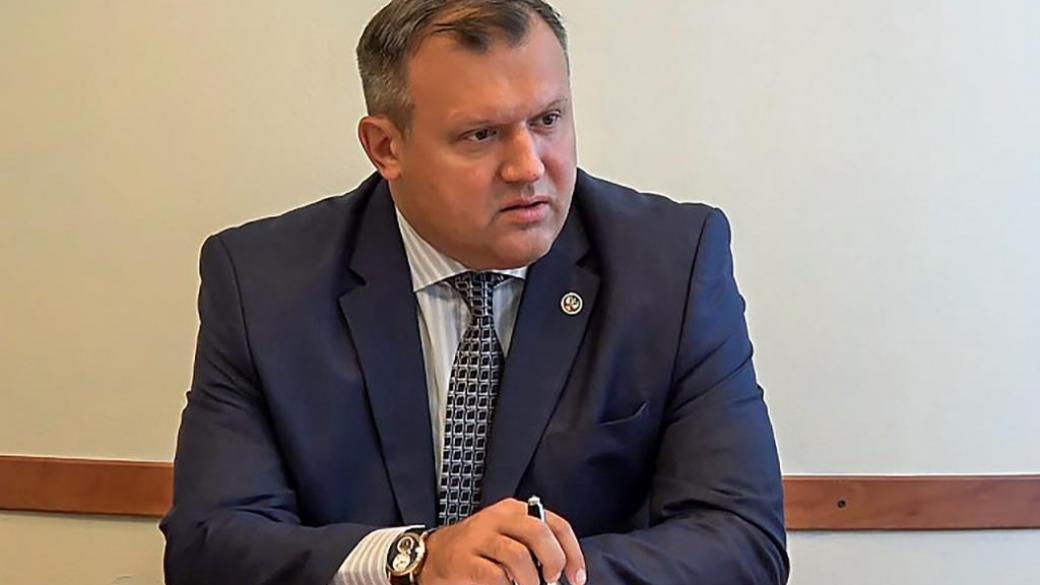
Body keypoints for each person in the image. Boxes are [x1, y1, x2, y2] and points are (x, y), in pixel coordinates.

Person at [160, 1, 789, 584]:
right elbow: (209, 544)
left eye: (548, 120)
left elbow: (742, 539)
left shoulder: (672, 264)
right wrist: (415, 560)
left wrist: (522, 573)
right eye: (481, 135)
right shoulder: (263, 282)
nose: (528, 166)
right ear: (386, 147)